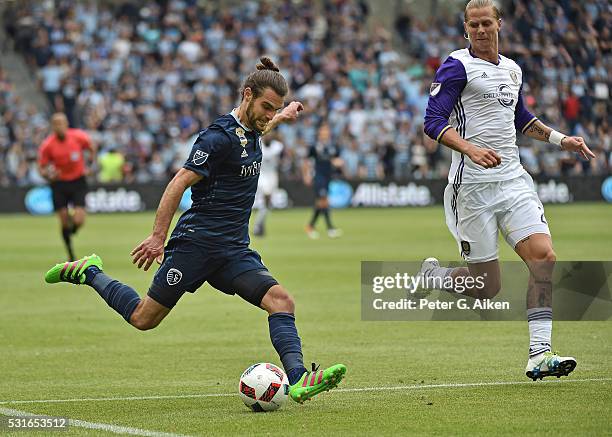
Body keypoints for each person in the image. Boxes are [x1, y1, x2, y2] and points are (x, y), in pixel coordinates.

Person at [44, 58, 346, 403]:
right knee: (144, 318)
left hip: (233, 249)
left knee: (281, 301)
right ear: (246, 95)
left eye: (272, 109)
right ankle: (90, 272)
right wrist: (158, 237)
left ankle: (299, 379)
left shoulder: (253, 128)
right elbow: (178, 182)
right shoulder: (216, 138)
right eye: (265, 106)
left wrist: (283, 114)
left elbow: (257, 131)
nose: (267, 115)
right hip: (196, 244)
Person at [422, 0, 595, 380]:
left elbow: (520, 117)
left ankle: (539, 353)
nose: (481, 30)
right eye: (473, 25)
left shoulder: (513, 70)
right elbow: (432, 122)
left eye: (487, 23)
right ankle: (434, 276)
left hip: (513, 180)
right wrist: (469, 148)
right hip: (472, 189)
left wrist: (559, 139)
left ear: (499, 24)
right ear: (465, 28)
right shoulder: (456, 66)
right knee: (487, 287)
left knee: (543, 258)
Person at [38, 112, 95, 260]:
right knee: (63, 220)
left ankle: (72, 229)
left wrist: (90, 164)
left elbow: (91, 147)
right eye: (56, 124)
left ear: (66, 124)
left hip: (78, 181)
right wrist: (49, 175)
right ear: (52, 126)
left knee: (79, 220)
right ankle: (70, 253)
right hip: (59, 184)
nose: (59, 126)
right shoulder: (48, 145)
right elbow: (42, 168)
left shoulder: (78, 137)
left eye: (61, 123)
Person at [303, 123, 344, 239]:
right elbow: (306, 161)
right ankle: (330, 228)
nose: (325, 134)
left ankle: (310, 226)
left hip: (328, 176)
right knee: (324, 201)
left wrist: (338, 162)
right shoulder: (315, 146)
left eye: (327, 131)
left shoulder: (333, 146)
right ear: (319, 133)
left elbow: (337, 159)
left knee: (321, 202)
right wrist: (306, 175)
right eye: (323, 131)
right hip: (319, 176)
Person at [253, 132, 284, 237]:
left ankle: (259, 225)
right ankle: (258, 226)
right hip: (262, 175)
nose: (269, 136)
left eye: (270, 135)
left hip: (273, 175)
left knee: (268, 205)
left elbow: (283, 155)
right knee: (266, 199)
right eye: (267, 135)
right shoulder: (258, 144)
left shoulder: (277, 146)